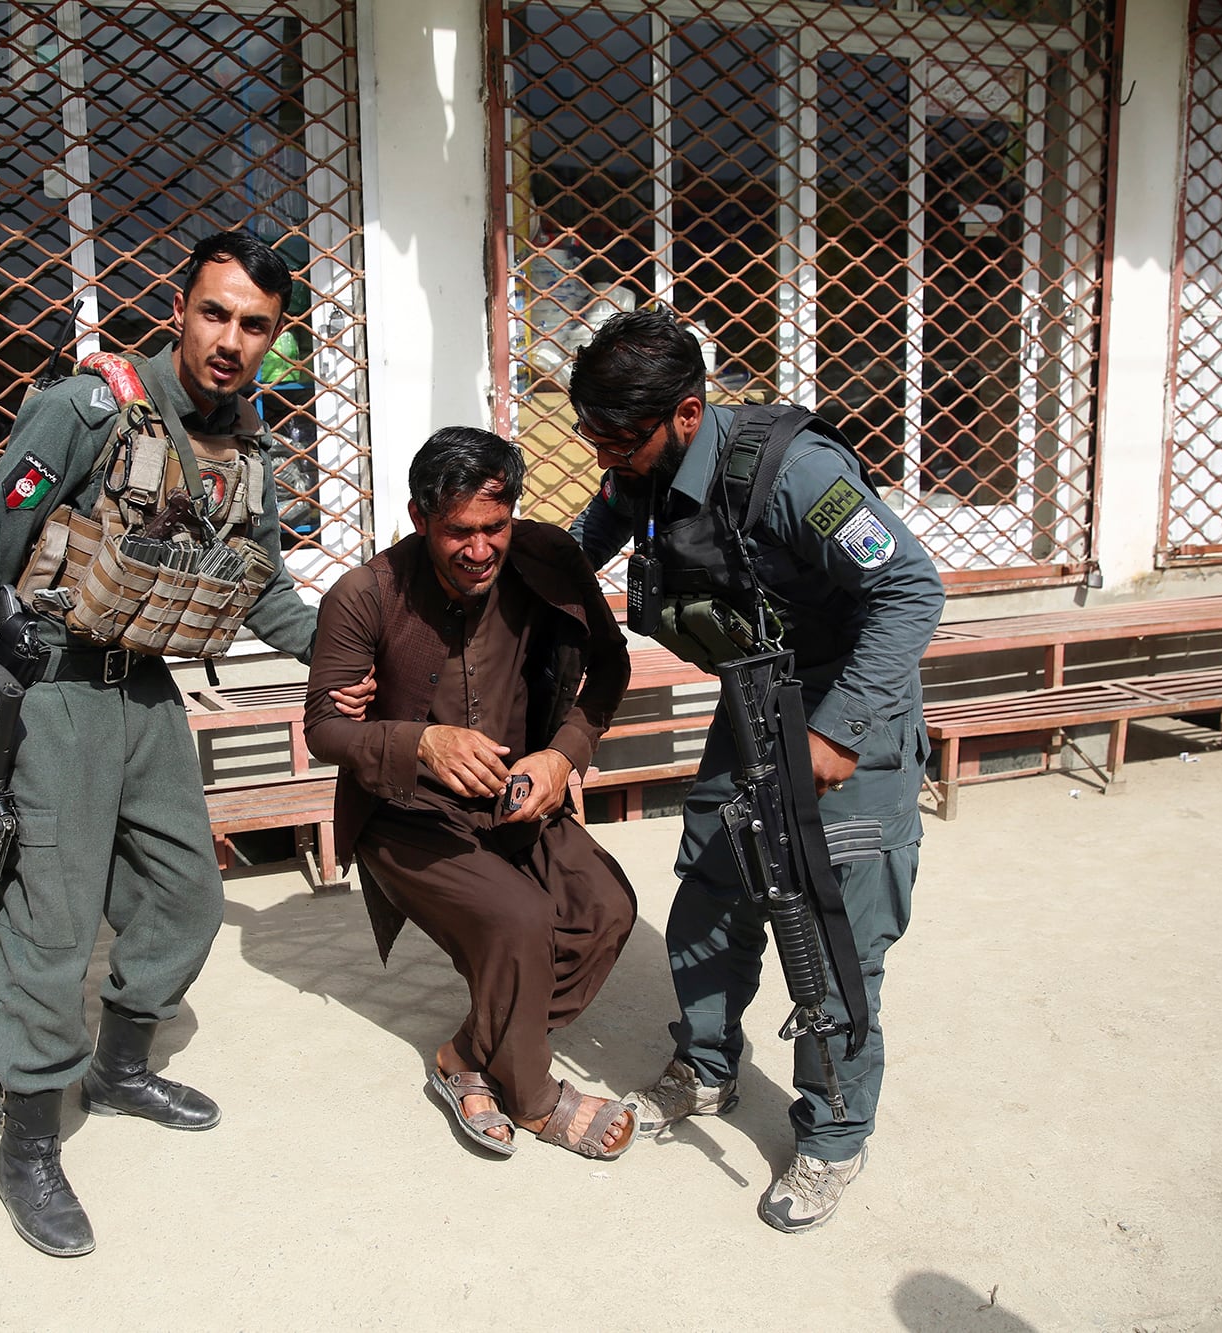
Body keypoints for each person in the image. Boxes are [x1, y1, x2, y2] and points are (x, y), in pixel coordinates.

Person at [0, 231, 364, 1258]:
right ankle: (25, 1139)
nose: (230, 340)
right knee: (50, 922)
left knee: (185, 896)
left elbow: (262, 589)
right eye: (214, 313)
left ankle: (119, 1069)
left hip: (150, 697)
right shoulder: (86, 409)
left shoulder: (246, 443)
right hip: (55, 700)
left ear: (274, 337)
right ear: (179, 308)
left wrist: (347, 660)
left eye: (253, 325)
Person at [566, 307, 945, 1232]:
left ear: (686, 414)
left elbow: (910, 587)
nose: (606, 459)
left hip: (848, 711)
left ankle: (833, 1135)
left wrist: (840, 731)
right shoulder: (642, 467)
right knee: (710, 891)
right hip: (754, 701)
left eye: (618, 439)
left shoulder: (795, 474)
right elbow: (583, 549)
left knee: (835, 931)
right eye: (594, 438)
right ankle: (703, 1068)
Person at [303, 426, 640, 1161]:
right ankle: (535, 1095)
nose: (481, 549)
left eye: (496, 526)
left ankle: (466, 1054)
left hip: (521, 796)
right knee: (518, 921)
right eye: (459, 531)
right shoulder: (365, 594)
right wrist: (420, 742)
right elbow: (324, 729)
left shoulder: (548, 560)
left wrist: (561, 756)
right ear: (422, 518)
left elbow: (610, 671)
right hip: (405, 814)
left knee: (607, 908)